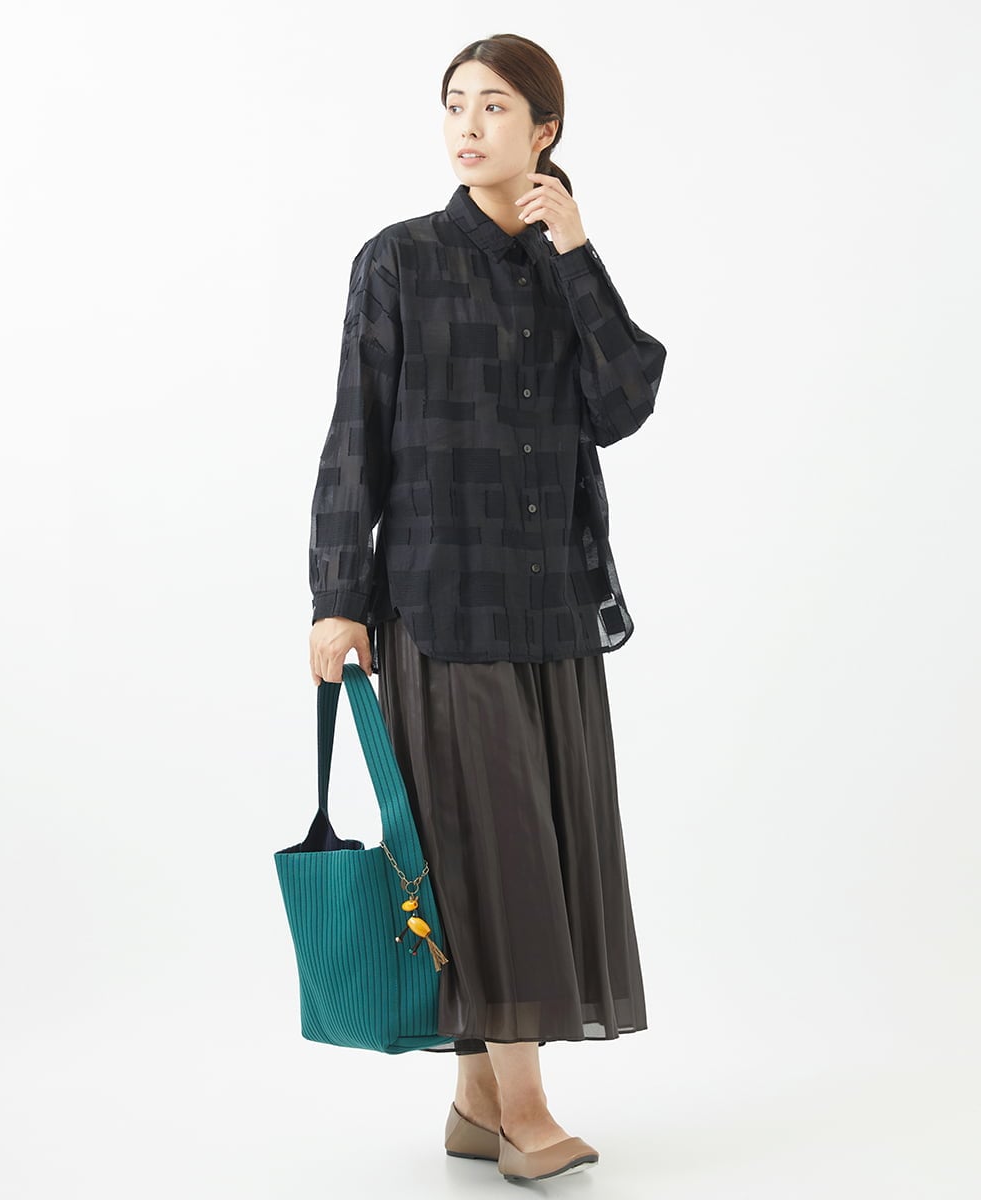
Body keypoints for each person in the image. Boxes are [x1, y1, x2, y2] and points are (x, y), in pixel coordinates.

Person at [307, 33, 666, 1181]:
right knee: (493, 853)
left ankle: (474, 1104)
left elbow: (623, 403)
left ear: (543, 132)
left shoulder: (567, 266)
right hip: (439, 604)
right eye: (454, 104)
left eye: (494, 106)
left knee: (534, 851)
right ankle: (523, 1110)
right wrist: (336, 598)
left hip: (551, 608)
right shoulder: (398, 260)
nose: (467, 125)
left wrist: (579, 254)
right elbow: (355, 432)